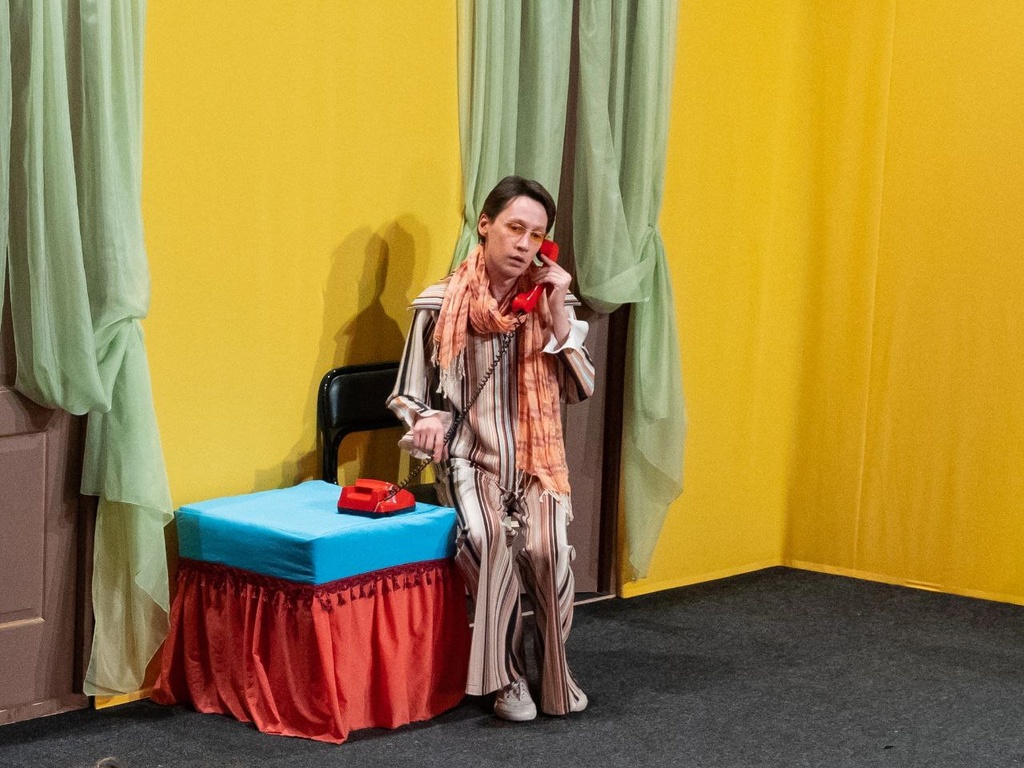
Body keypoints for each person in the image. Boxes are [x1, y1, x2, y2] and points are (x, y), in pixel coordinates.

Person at [387, 175, 595, 721]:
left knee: (549, 552)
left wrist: (556, 311)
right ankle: (508, 677)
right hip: (469, 459)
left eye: (536, 235)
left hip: (536, 464)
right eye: (514, 228)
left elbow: (580, 388)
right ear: (485, 226)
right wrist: (426, 417)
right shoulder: (439, 304)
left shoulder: (550, 303)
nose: (524, 244)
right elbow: (407, 392)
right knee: (486, 540)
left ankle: (556, 673)